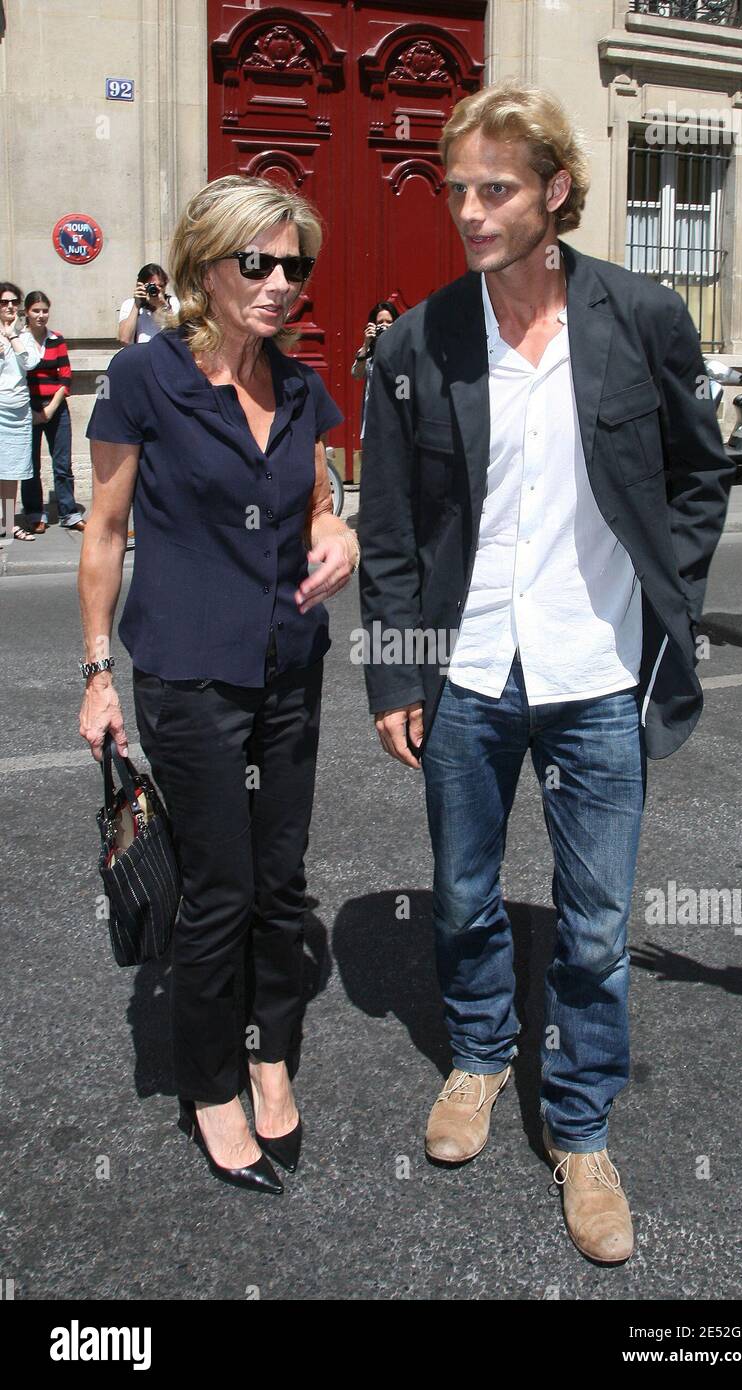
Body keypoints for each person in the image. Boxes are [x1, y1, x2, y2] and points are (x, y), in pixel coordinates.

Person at [358, 82, 733, 1264]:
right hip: (469, 675)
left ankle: (581, 1128)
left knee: (597, 927)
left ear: (556, 191)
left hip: (597, 672)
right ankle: (478, 1057)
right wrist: (395, 675)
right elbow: (393, 531)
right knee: (465, 894)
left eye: (496, 189)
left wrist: (664, 604)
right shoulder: (420, 339)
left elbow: (698, 474)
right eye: (458, 188)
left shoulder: (641, 316)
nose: (468, 210)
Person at [79, 174, 359, 1195]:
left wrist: (337, 527)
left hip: (290, 662)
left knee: (281, 880)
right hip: (191, 672)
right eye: (260, 262)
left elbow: (319, 497)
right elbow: (104, 530)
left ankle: (268, 1050)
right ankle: (209, 1086)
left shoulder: (298, 383)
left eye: (296, 266)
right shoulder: (145, 379)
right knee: (220, 891)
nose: (281, 282)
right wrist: (98, 673)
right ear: (208, 263)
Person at [22, 290, 85, 533]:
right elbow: (18, 380)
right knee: (30, 465)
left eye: (44, 310)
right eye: (36, 310)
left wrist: (49, 410)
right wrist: (35, 411)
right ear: (27, 312)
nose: (41, 315)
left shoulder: (56, 339)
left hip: (56, 408)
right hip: (27, 410)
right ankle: (35, 513)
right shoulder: (20, 339)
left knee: (62, 464)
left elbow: (65, 376)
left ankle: (69, 512)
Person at [0, 281, 43, 542]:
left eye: (14, 302)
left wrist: (12, 335)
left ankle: (8, 523)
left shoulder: (24, 335)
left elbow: (30, 362)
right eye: (4, 302)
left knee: (12, 471)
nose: (10, 307)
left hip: (18, 413)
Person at [351, 300, 399, 440]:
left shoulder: (403, 350)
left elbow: (405, 390)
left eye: (389, 322)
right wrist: (366, 345)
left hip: (395, 423)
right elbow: (357, 375)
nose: (384, 326)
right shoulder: (367, 352)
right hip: (373, 423)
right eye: (380, 322)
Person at [117, 264, 179, 345]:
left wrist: (161, 306)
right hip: (140, 355)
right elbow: (125, 340)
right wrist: (136, 305)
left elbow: (178, 337)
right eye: (151, 286)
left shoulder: (173, 303)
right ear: (140, 285)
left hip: (164, 355)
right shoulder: (129, 305)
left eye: (160, 286)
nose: (156, 290)